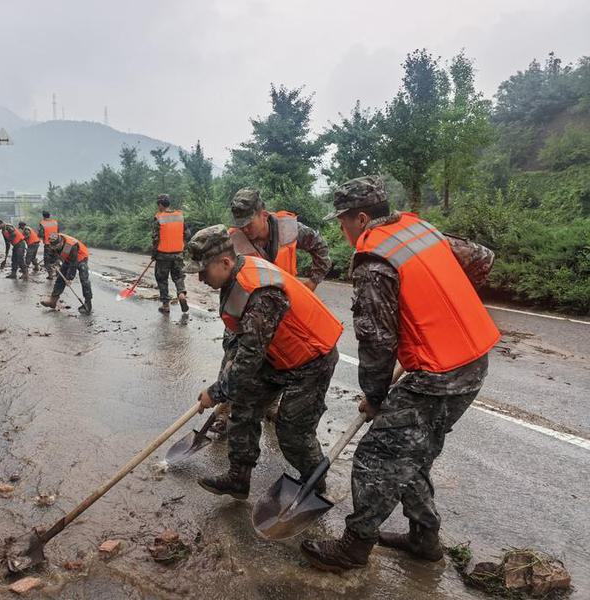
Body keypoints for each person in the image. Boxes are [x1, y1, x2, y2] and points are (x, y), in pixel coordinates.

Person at [300, 176, 500, 572]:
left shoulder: (375, 261)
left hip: (438, 376)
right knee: (413, 453)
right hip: (472, 359)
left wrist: (374, 397)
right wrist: (442, 306)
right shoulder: (420, 230)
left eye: (341, 221)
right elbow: (482, 257)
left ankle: (354, 549)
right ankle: (424, 540)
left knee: (377, 456)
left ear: (359, 218)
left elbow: (376, 342)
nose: (341, 230)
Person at [186, 225, 343, 499]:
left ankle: (314, 484)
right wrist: (226, 387)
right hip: (276, 354)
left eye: (203, 270)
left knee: (292, 431)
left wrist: (216, 391)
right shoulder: (233, 278)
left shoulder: (259, 293)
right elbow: (238, 342)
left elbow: (248, 359)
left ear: (225, 262)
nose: (199, 279)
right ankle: (238, 478)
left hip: (311, 360)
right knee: (244, 406)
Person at [228, 187, 332, 290]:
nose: (244, 229)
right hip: (253, 302)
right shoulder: (232, 239)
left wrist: (313, 281)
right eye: (240, 224)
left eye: (249, 224)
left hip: (287, 298)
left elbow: (320, 245)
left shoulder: (287, 228)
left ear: (264, 215)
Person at [152, 194, 191, 314]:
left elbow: (155, 238)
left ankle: (165, 305)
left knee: (162, 279)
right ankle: (181, 294)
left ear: (160, 204)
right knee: (178, 276)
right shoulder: (179, 216)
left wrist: (154, 254)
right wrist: (182, 246)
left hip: (163, 255)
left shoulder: (159, 217)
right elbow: (188, 234)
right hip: (178, 254)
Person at [40, 232, 93, 314]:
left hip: (81, 257)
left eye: (57, 246)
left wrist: (69, 278)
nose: (55, 248)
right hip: (69, 258)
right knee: (60, 278)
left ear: (61, 242)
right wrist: (52, 263)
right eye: (53, 246)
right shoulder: (53, 240)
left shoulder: (70, 246)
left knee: (84, 279)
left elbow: (73, 264)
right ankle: (53, 301)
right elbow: (52, 254)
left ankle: (88, 303)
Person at [39, 211, 60, 279]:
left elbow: (41, 234)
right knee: (56, 258)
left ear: (43, 216)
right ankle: (58, 273)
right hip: (57, 243)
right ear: (49, 215)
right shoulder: (55, 222)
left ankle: (50, 274)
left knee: (47, 260)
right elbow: (58, 231)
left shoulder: (42, 223)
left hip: (48, 244)